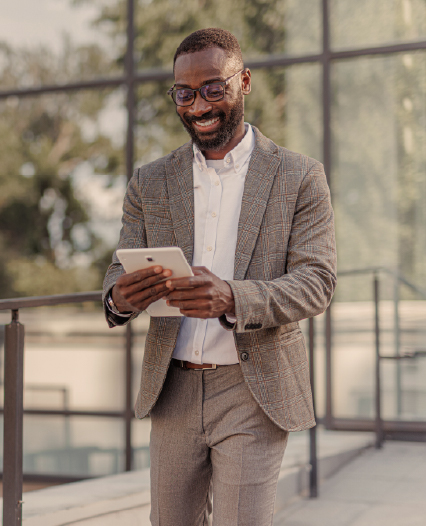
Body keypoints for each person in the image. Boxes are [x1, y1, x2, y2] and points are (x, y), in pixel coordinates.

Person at [103, 28, 336, 526]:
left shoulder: (299, 176)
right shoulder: (150, 181)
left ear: (244, 81)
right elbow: (115, 275)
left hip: (254, 389)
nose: (198, 105)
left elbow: (317, 281)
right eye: (184, 93)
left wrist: (232, 297)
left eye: (213, 88)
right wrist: (120, 297)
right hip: (173, 391)